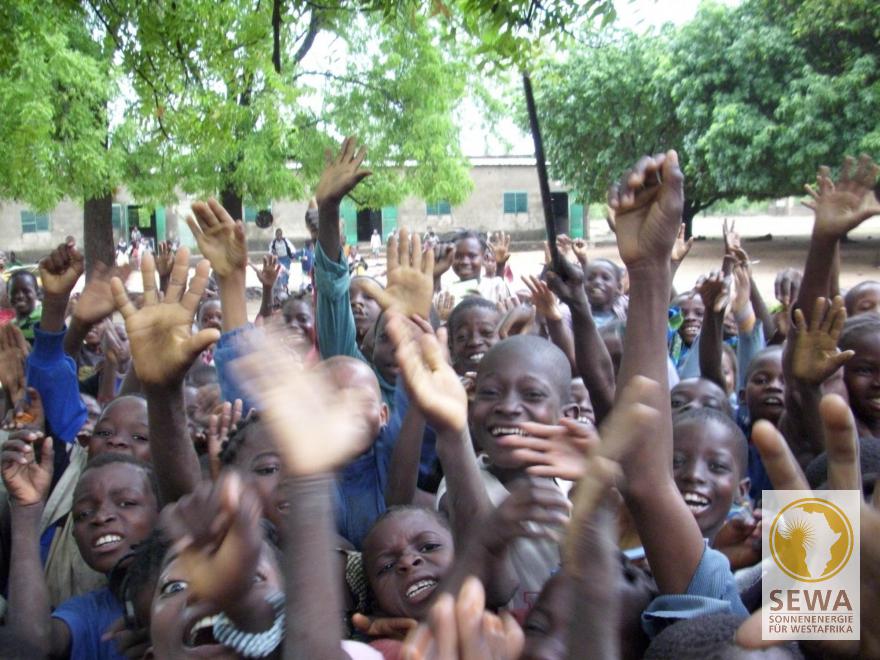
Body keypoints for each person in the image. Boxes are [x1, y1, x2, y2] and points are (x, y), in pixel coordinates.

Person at [269, 227, 296, 293]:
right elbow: (270, 251)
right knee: (280, 273)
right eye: (277, 235)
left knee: (286, 273)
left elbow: (293, 249)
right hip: (279, 259)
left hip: (286, 259)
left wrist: (292, 255)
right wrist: (273, 253)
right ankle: (282, 287)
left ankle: (285, 286)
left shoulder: (285, 241)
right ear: (276, 235)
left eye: (280, 235)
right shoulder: (273, 242)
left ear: (281, 235)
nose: (279, 236)